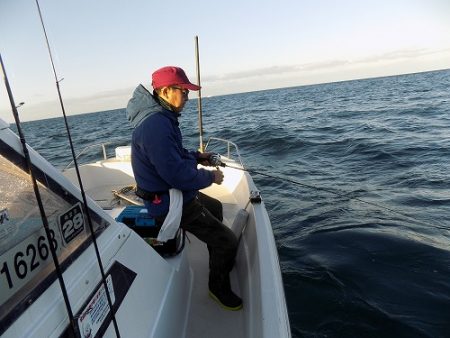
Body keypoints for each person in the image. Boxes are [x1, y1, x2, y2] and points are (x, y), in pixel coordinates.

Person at [126, 66, 242, 311]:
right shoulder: (156, 126)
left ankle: (217, 258)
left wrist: (197, 157)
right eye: (184, 92)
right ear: (166, 91)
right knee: (228, 242)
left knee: (217, 207)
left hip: (172, 193)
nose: (188, 97)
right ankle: (217, 288)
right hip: (169, 203)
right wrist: (210, 177)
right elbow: (177, 175)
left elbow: (175, 157)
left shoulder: (161, 118)